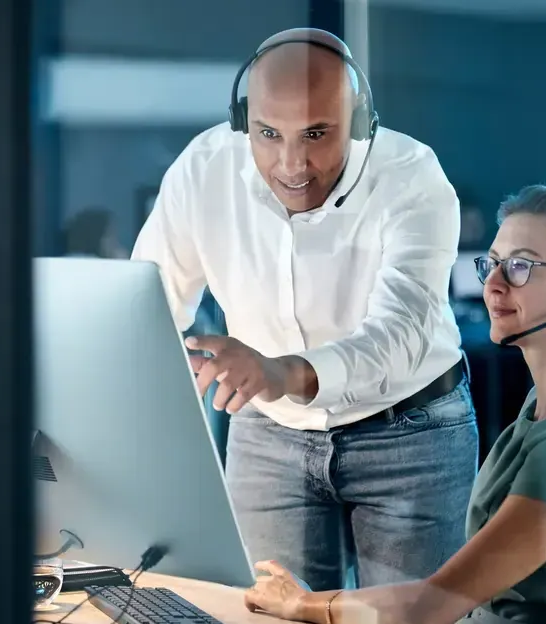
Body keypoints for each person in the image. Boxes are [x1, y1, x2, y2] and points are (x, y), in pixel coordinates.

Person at [243, 185, 546, 624]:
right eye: (493, 263)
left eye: (522, 265)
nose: (494, 284)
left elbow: (433, 605)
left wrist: (304, 604)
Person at [131, 28, 478, 592]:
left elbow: (400, 333)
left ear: (360, 122)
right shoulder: (205, 169)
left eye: (316, 134)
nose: (292, 164)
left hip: (410, 432)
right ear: (243, 121)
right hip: (268, 432)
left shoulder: (411, 176)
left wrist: (280, 371)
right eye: (268, 134)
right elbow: (146, 303)